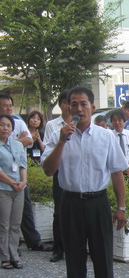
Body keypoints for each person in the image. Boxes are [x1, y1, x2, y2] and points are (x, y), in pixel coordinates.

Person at [42, 86, 129, 278]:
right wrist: (61, 141)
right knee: (75, 260)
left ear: (92, 107)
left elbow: (116, 172)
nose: (79, 108)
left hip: (98, 202)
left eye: (83, 104)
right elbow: (49, 170)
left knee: (103, 258)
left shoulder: (105, 136)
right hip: (69, 202)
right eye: (74, 104)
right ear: (67, 107)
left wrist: (121, 206)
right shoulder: (58, 135)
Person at [0, 93, 49, 253]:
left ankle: (32, 241)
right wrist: (16, 143)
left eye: (10, 105)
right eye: (5, 105)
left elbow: (29, 140)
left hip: (18, 173)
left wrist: (9, 143)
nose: (8, 108)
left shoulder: (18, 122)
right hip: (2, 176)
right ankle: (7, 248)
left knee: (24, 209)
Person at [43, 90, 72, 263]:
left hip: (76, 171)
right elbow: (47, 150)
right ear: (60, 104)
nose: (69, 106)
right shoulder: (52, 126)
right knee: (59, 211)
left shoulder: (80, 123)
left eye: (72, 103)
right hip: (60, 171)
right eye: (67, 102)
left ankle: (75, 247)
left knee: (76, 212)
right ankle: (58, 248)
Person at [0, 115, 27, 269]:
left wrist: (23, 182)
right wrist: (12, 182)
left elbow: (23, 165)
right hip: (3, 189)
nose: (5, 128)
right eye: (2, 125)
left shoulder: (17, 145)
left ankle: (14, 255)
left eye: (8, 125)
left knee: (15, 225)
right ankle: (4, 257)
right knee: (4, 225)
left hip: (19, 189)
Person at [110, 109, 129, 181]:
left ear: (124, 121)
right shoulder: (109, 135)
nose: (117, 123)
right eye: (114, 120)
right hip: (115, 172)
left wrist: (127, 168)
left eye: (119, 120)